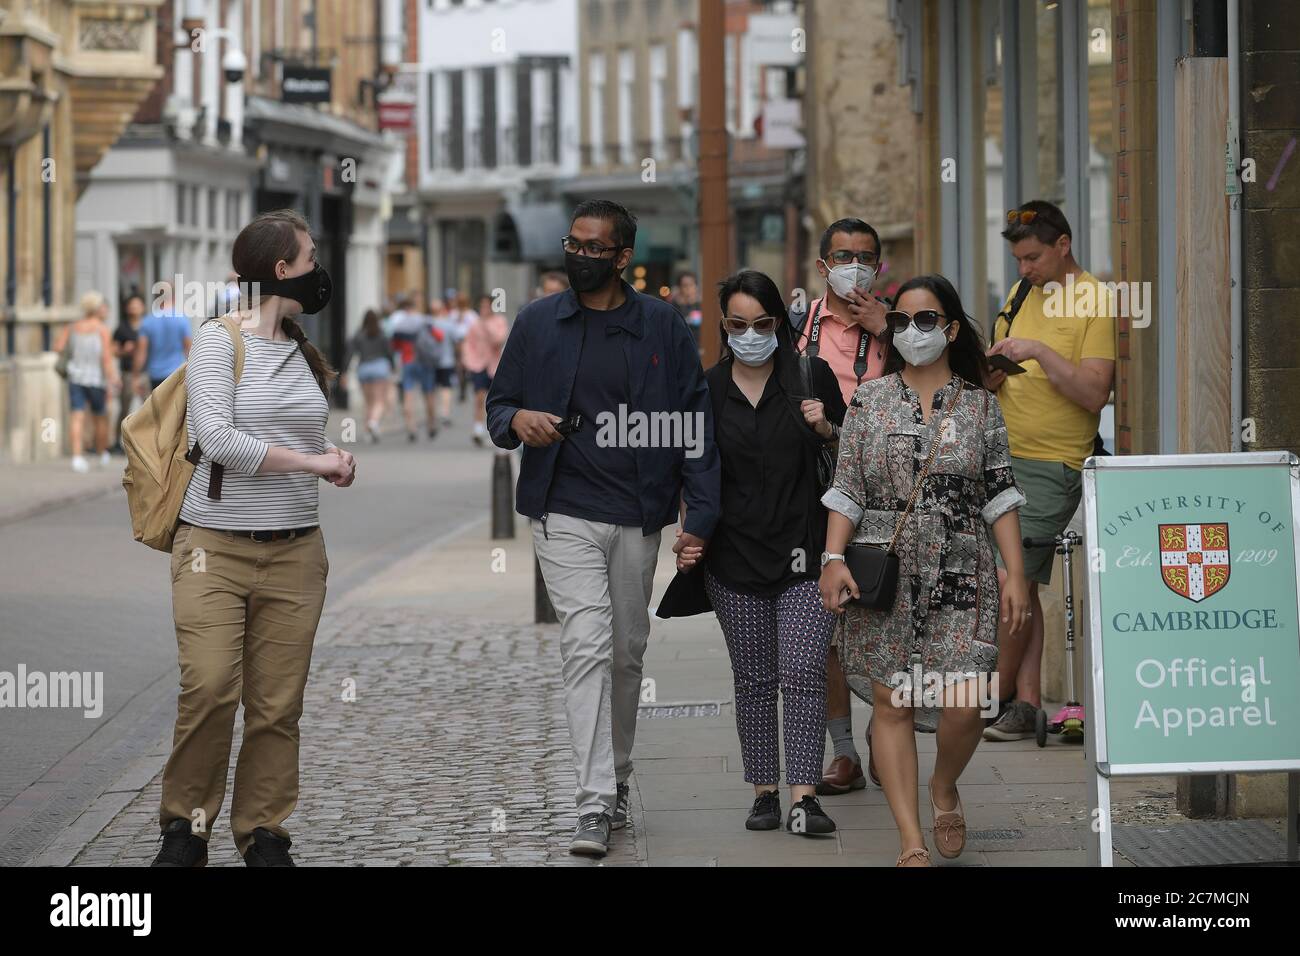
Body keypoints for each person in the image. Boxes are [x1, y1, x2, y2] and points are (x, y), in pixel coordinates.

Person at [487, 198, 720, 857]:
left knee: (626, 652)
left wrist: (696, 515)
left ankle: (615, 779)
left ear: (623, 257)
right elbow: (499, 404)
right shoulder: (537, 324)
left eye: (596, 248)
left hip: (640, 515)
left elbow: (694, 423)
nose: (581, 256)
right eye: (573, 244)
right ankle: (591, 803)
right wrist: (517, 421)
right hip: (562, 511)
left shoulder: (663, 329)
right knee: (587, 643)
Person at [151, 209, 356, 868]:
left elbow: (292, 433)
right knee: (209, 688)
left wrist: (330, 454)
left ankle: (264, 833)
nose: (319, 266)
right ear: (281, 269)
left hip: (297, 549)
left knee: (277, 704)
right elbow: (215, 438)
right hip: (215, 546)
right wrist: (313, 464)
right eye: (310, 255)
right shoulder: (219, 339)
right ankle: (186, 828)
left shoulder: (298, 344)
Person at [818, 273, 1029, 866]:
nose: (913, 331)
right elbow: (846, 490)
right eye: (903, 320)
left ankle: (943, 787)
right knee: (895, 704)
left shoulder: (980, 405)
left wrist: (1015, 574)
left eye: (927, 319)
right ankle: (911, 838)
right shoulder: (869, 400)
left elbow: (1000, 494)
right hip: (884, 569)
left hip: (963, 568)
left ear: (952, 327)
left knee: (965, 702)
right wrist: (833, 559)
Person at [681, 268, 846, 835]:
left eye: (763, 323)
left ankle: (805, 795)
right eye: (738, 324)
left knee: (802, 672)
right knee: (753, 679)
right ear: (723, 326)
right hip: (734, 554)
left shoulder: (810, 374)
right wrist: (691, 532)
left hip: (804, 548)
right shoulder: (706, 389)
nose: (750, 333)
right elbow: (695, 470)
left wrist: (826, 427)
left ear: (780, 323)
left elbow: (852, 462)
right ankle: (764, 791)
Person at [982, 200, 1115, 742]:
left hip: (1051, 461)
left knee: (1009, 580)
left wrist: (1037, 349)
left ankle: (988, 697)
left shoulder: (1095, 301)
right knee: (1024, 584)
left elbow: (1092, 391)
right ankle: (1028, 705)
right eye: (1017, 259)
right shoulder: (1021, 294)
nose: (1024, 270)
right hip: (1003, 452)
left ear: (1063, 245)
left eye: (1032, 258)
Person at [792, 218, 893, 797]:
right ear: (822, 266)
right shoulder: (794, 327)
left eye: (864, 256)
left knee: (884, 617)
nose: (853, 264)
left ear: (877, 266)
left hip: (884, 490)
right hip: (816, 487)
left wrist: (891, 330)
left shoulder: (905, 324)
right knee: (824, 625)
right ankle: (845, 752)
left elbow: (946, 379)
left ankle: (887, 734)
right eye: (842, 255)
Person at [54, 291, 119, 472]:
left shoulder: (72, 327)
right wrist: (113, 378)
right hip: (96, 379)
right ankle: (101, 453)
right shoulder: (102, 329)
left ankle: (77, 457)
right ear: (97, 308)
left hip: (75, 377)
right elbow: (106, 358)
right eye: (102, 307)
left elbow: (58, 347)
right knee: (100, 417)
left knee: (77, 417)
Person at [341, 308, 396, 443]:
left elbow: (349, 353)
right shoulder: (382, 334)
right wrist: (393, 367)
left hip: (364, 368)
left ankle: (367, 432)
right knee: (379, 401)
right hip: (380, 367)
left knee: (368, 402)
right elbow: (389, 353)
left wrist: (345, 372)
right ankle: (373, 423)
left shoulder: (358, 335)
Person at [389, 293, 438, 441]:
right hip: (425, 361)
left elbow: (394, 345)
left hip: (408, 360)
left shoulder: (399, 323)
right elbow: (438, 337)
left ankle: (411, 427)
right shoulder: (424, 320)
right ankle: (431, 424)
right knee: (428, 393)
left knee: (408, 394)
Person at [463, 294, 509, 446]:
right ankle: (477, 429)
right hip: (479, 364)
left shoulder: (499, 321)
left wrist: (487, 325)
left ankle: (494, 429)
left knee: (496, 400)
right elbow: (468, 343)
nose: (484, 309)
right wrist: (468, 360)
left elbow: (499, 340)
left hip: (495, 366)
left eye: (486, 306)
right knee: (479, 398)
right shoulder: (474, 324)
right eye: (481, 306)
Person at [134, 281, 192, 393]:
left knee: (157, 409)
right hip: (176, 374)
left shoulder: (147, 322)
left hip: (155, 376)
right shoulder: (182, 320)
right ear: (174, 297)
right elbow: (189, 351)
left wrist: (136, 376)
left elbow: (141, 354)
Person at [109, 292, 146, 453]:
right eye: (131, 306)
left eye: (137, 305)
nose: (134, 308)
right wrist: (125, 351)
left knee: (149, 406)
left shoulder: (147, 326)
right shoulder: (122, 328)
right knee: (124, 407)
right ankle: (117, 442)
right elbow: (114, 351)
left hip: (145, 372)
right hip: (127, 372)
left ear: (143, 307)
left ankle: (146, 442)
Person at [672, 271, 703, 342]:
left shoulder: (702, 305)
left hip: (700, 346)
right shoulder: (674, 307)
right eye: (685, 285)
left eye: (691, 285)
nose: (688, 288)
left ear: (696, 286)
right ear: (679, 287)